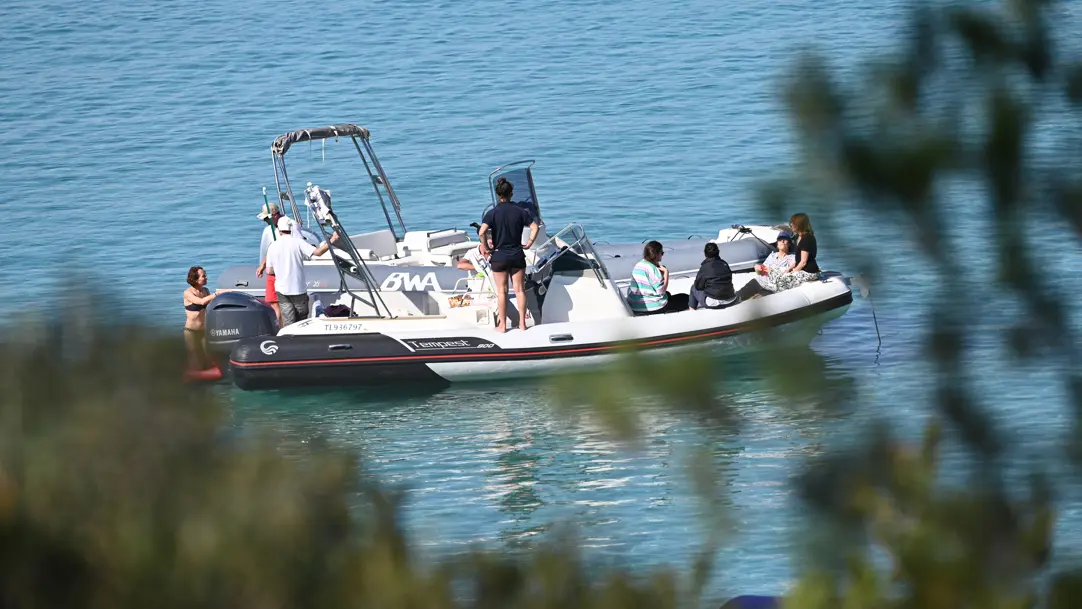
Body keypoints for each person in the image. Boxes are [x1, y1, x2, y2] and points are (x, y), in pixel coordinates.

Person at [479, 177, 540, 332]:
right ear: (511, 193)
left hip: (499, 256)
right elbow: (535, 227)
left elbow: (482, 232)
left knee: (502, 292)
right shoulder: (521, 212)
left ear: (498, 194)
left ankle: (503, 325)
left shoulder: (492, 213)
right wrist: (529, 243)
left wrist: (486, 247)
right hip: (516, 254)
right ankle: (522, 324)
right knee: (519, 290)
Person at [264, 216, 339, 326]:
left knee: (288, 321)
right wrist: (332, 240)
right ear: (291, 228)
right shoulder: (298, 242)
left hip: (282, 290)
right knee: (301, 321)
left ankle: (289, 340)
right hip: (298, 289)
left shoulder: (272, 246)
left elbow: (269, 270)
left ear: (279, 230)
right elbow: (318, 252)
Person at [625, 240, 690, 315]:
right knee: (686, 298)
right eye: (661, 253)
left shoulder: (638, 265)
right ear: (656, 254)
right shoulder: (653, 269)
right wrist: (666, 274)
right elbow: (661, 292)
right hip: (653, 307)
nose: (662, 255)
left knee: (668, 294)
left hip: (635, 305)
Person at [735, 231, 796, 300]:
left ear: (789, 244)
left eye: (785, 239)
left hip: (771, 287)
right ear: (777, 244)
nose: (782, 241)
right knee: (738, 296)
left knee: (755, 302)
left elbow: (787, 275)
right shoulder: (772, 255)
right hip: (759, 281)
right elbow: (760, 272)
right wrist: (757, 269)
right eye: (780, 240)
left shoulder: (792, 258)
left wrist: (772, 271)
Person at [183, 266, 217, 371]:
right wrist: (217, 294)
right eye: (203, 276)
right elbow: (201, 302)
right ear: (196, 279)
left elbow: (211, 304)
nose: (206, 277)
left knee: (207, 359)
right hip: (191, 331)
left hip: (204, 331)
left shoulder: (206, 291)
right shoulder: (188, 293)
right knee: (196, 361)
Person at [775, 212, 820, 291]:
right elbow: (797, 260)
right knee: (778, 273)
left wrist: (793, 272)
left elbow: (803, 262)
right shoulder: (798, 237)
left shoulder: (807, 239)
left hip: (809, 272)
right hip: (802, 270)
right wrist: (789, 269)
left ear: (799, 224)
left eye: (793, 223)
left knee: (781, 281)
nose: (791, 224)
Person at [256, 201, 284, 326]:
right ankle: (280, 327)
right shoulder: (269, 230)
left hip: (282, 270)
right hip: (272, 271)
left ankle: (280, 328)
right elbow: (271, 248)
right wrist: (262, 264)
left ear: (275, 215)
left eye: (266, 218)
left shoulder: (287, 227)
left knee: (281, 303)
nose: (264, 221)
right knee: (273, 302)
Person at [688, 242, 737, 310]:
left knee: (693, 288)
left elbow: (698, 286)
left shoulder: (704, 267)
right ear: (718, 252)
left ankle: (692, 312)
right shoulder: (724, 264)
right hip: (731, 299)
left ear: (705, 254)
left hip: (715, 303)